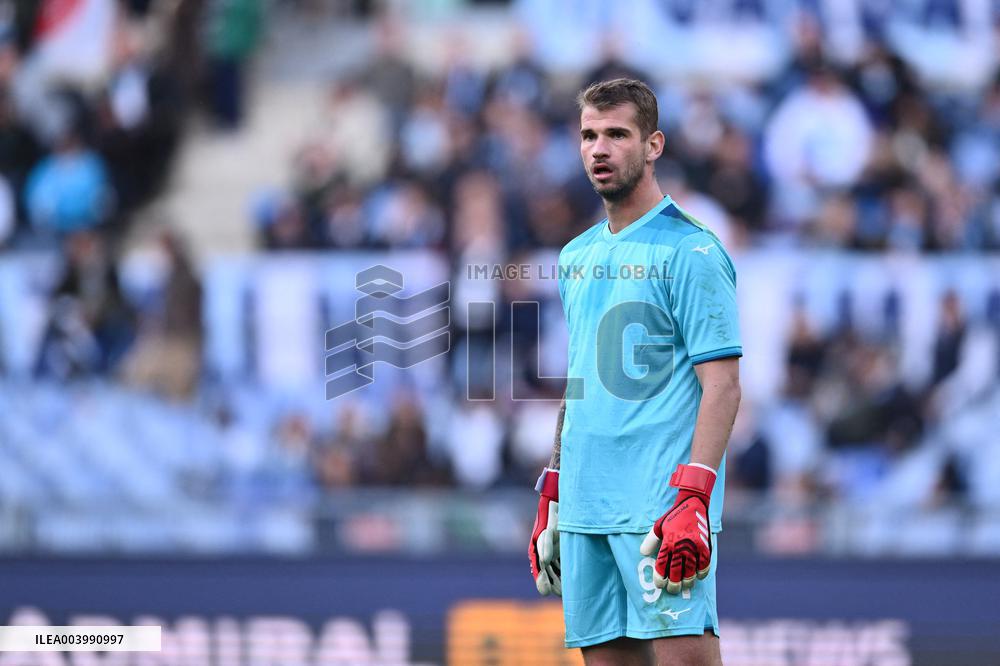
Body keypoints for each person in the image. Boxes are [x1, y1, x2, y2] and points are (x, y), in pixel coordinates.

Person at [528, 79, 742, 665]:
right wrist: (552, 488)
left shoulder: (692, 251)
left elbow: (722, 385)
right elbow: (580, 381)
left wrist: (694, 497)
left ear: (654, 145)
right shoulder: (575, 256)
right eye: (589, 135)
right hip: (585, 504)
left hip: (658, 504)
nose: (599, 148)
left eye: (617, 134)